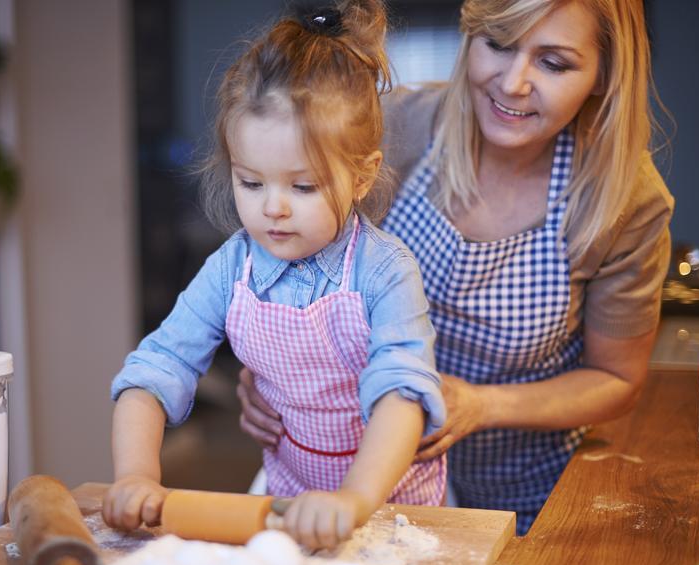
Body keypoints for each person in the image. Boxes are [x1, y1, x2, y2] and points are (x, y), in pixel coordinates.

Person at [238, 0, 674, 535]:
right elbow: (290, 259)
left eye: (554, 64)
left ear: (604, 73)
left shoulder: (624, 196)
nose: (513, 84)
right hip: (359, 483)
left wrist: (481, 405)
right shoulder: (397, 128)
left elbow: (616, 379)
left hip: (521, 498)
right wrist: (268, 367)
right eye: (499, 44)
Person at [102, 0, 448, 550]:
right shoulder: (230, 269)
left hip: (392, 510)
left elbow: (400, 395)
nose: (273, 209)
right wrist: (137, 475)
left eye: (302, 187)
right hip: (285, 499)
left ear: (362, 176)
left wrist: (353, 499)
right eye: (251, 183)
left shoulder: (384, 272)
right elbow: (155, 370)